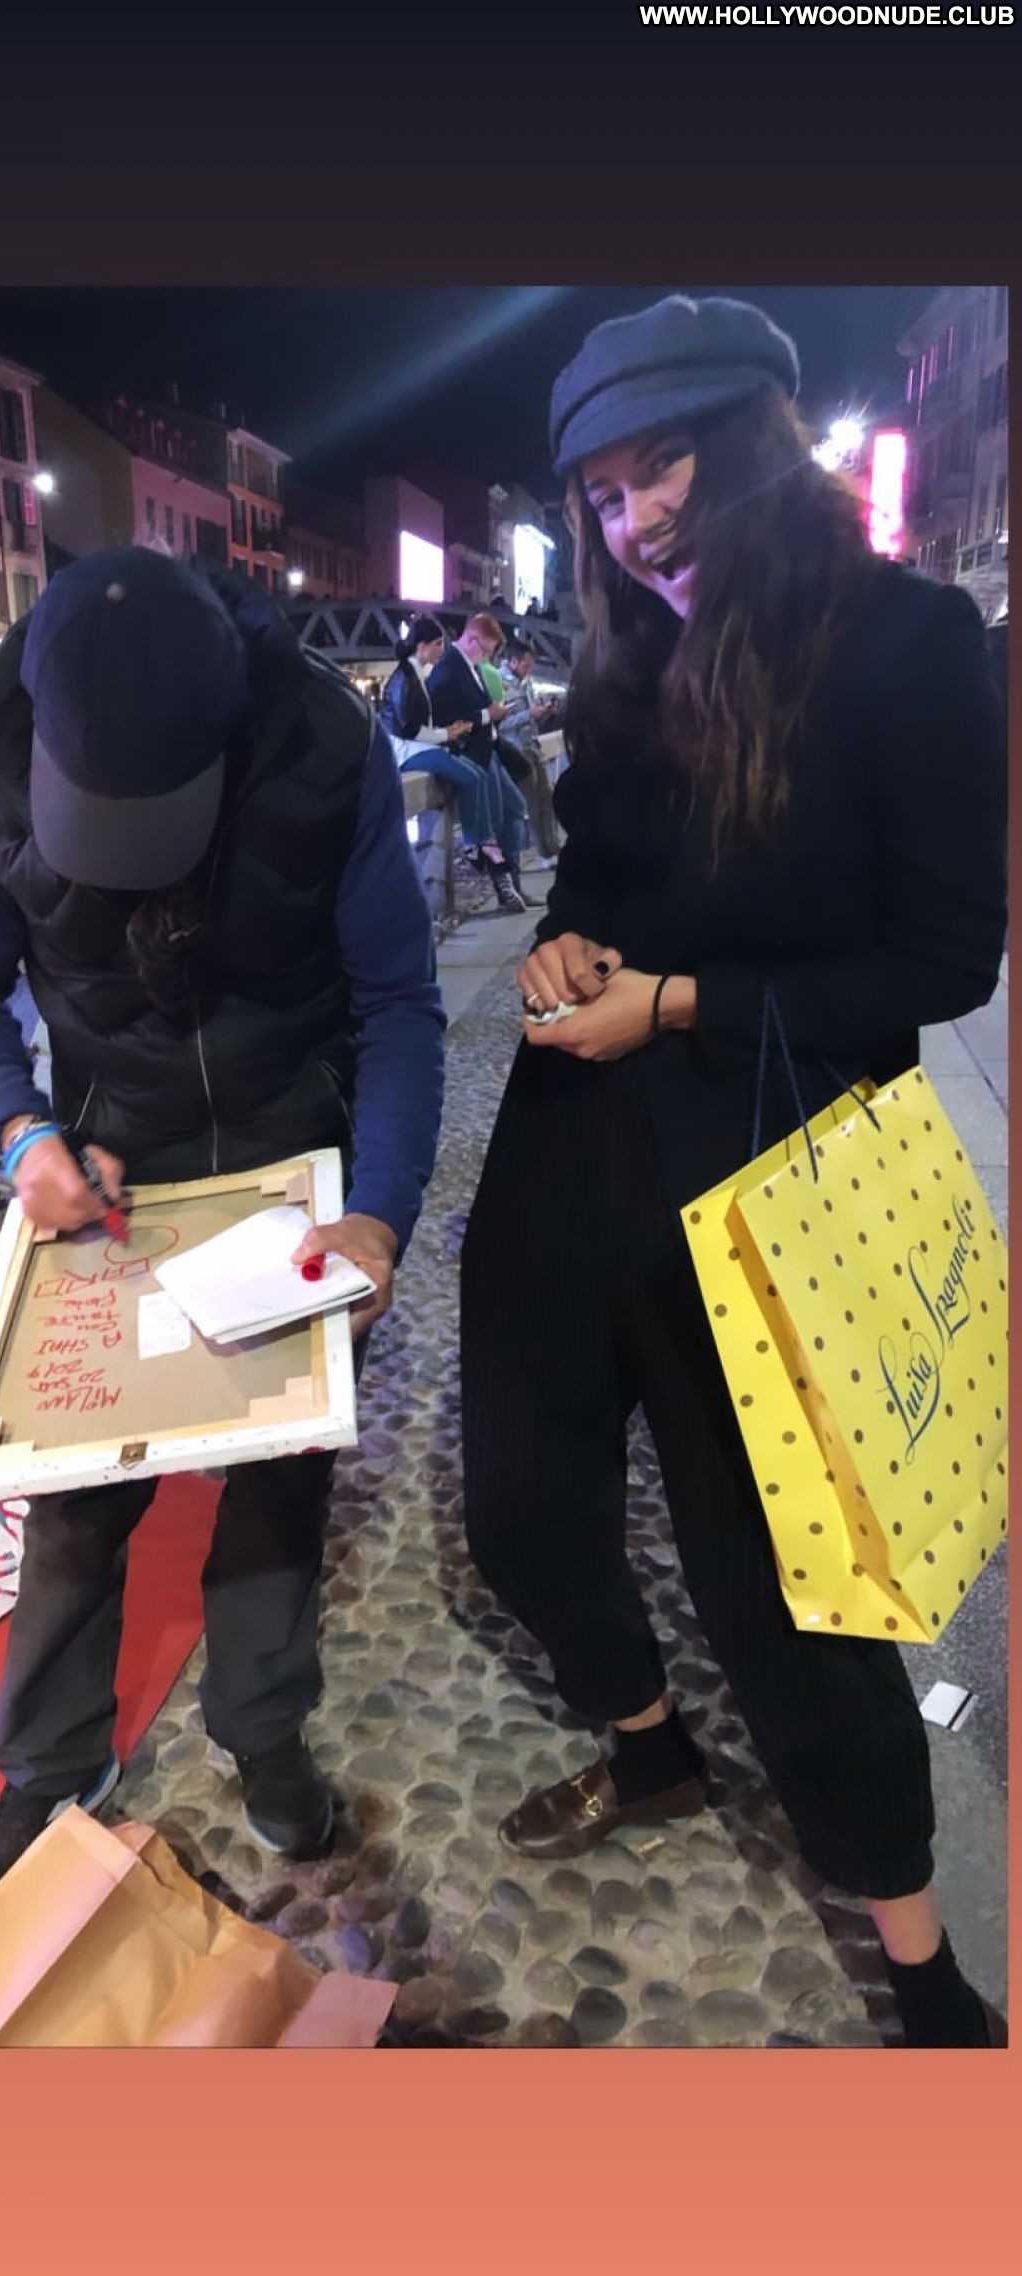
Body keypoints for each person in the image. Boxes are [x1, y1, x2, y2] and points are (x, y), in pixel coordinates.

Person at [459, 295, 1007, 2046]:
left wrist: (685, 1000)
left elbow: (948, 959)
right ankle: (651, 1749)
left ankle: (917, 1957)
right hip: (576, 1138)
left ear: (760, 444)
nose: (637, 522)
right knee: (519, 1501)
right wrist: (562, 946)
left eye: (666, 466)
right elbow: (597, 879)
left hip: (775, 1163)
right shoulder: (627, 657)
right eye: (605, 494)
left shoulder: (911, 641)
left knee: (784, 1571)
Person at [0, 547, 445, 1916]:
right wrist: (20, 1133)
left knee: (281, 1473)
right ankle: (47, 1761)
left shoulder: (325, 744)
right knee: (74, 1483)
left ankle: (262, 1726)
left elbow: (398, 1002)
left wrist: (378, 1210)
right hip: (118, 1156)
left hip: (292, 1147)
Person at [379, 615, 506, 876]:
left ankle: (482, 840)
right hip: (406, 752)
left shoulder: (414, 673)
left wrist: (447, 733)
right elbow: (409, 730)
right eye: (437, 644)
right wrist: (445, 734)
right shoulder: (405, 678)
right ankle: (474, 842)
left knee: (477, 773)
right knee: (470, 776)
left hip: (418, 746)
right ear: (422, 646)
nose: (442, 649)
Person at [427, 611, 529, 912]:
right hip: (472, 754)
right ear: (472, 640)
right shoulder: (448, 669)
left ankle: (509, 881)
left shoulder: (469, 666)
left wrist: (492, 714)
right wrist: (488, 714)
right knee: (492, 820)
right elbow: (446, 720)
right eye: (486, 650)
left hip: (487, 749)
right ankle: (504, 882)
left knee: (513, 807)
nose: (487, 657)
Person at [498, 636, 561, 868]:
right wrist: (528, 715)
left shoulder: (527, 683)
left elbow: (531, 718)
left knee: (548, 796)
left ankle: (552, 848)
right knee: (532, 802)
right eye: (526, 665)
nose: (528, 670)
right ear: (513, 661)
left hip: (533, 745)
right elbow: (500, 725)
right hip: (516, 751)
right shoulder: (498, 682)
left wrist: (544, 712)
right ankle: (544, 853)